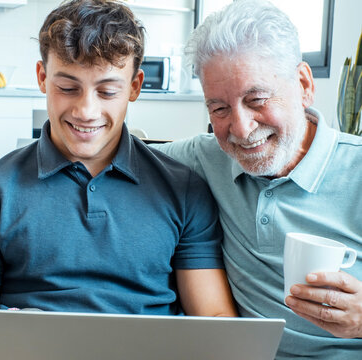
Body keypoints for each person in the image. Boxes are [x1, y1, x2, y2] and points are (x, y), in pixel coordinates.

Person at [0, 0, 237, 358]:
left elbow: (215, 321)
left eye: (107, 92)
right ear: (43, 78)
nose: (85, 111)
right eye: (67, 87)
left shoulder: (184, 189)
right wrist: (45, 341)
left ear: (135, 86)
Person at [151, 0, 362, 358]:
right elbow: (120, 154)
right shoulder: (203, 159)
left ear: (303, 84)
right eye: (219, 108)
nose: (241, 128)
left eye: (257, 99)